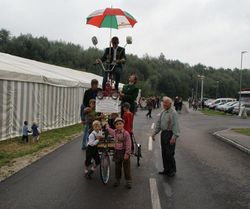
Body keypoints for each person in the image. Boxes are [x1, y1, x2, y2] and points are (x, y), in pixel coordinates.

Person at [152, 96, 180, 177]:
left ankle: (172, 170)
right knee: (164, 152)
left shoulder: (173, 113)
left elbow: (176, 126)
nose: (164, 104)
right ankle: (166, 169)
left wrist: (174, 137)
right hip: (164, 133)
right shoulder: (163, 112)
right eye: (164, 103)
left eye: (166, 103)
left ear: (170, 104)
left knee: (170, 153)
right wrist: (154, 133)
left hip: (170, 134)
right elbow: (158, 124)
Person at [106, 117, 132, 189]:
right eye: (117, 124)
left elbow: (129, 143)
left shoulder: (126, 133)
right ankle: (117, 180)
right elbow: (109, 130)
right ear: (115, 126)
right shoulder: (115, 132)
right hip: (117, 152)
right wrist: (106, 126)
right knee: (117, 167)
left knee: (126, 167)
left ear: (123, 124)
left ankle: (128, 181)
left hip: (124, 151)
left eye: (120, 124)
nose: (119, 125)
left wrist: (127, 153)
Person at [81, 79, 101, 150]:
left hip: (96, 110)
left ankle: (93, 143)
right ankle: (84, 145)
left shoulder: (99, 91)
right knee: (87, 129)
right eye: (94, 85)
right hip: (89, 112)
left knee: (94, 129)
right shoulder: (87, 92)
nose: (95, 86)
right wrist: (89, 108)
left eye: (96, 85)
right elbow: (84, 103)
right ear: (92, 85)